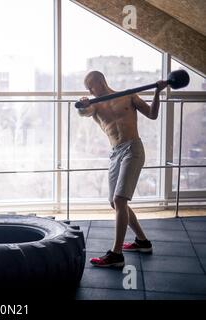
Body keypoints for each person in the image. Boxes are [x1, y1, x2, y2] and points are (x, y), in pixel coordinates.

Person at [77, 71, 167, 267]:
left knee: (120, 199)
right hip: (115, 153)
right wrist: (83, 105)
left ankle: (116, 254)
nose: (90, 91)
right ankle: (142, 242)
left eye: (91, 87)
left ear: (101, 82)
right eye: (88, 89)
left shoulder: (128, 95)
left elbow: (152, 115)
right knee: (114, 202)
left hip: (133, 148)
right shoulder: (95, 105)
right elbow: (84, 112)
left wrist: (157, 93)